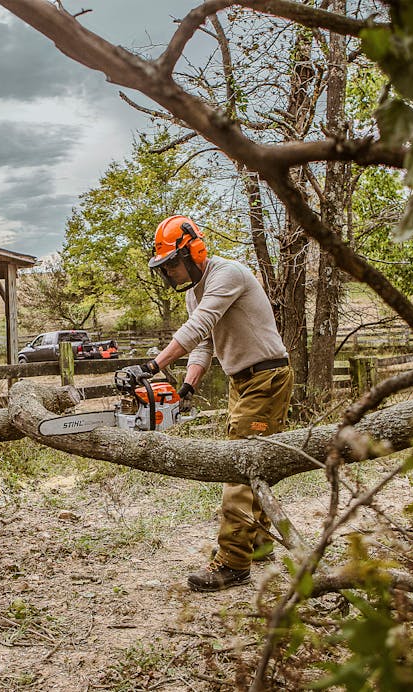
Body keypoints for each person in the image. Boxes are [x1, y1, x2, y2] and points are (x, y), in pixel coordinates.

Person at [126, 215, 294, 592]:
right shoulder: (193, 293)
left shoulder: (228, 274)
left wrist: (153, 365)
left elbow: (199, 326)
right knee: (255, 463)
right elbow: (204, 344)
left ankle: (233, 563)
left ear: (193, 252)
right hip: (242, 380)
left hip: (267, 377)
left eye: (172, 263)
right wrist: (186, 387)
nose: (170, 272)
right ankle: (259, 542)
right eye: (165, 266)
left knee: (238, 467)